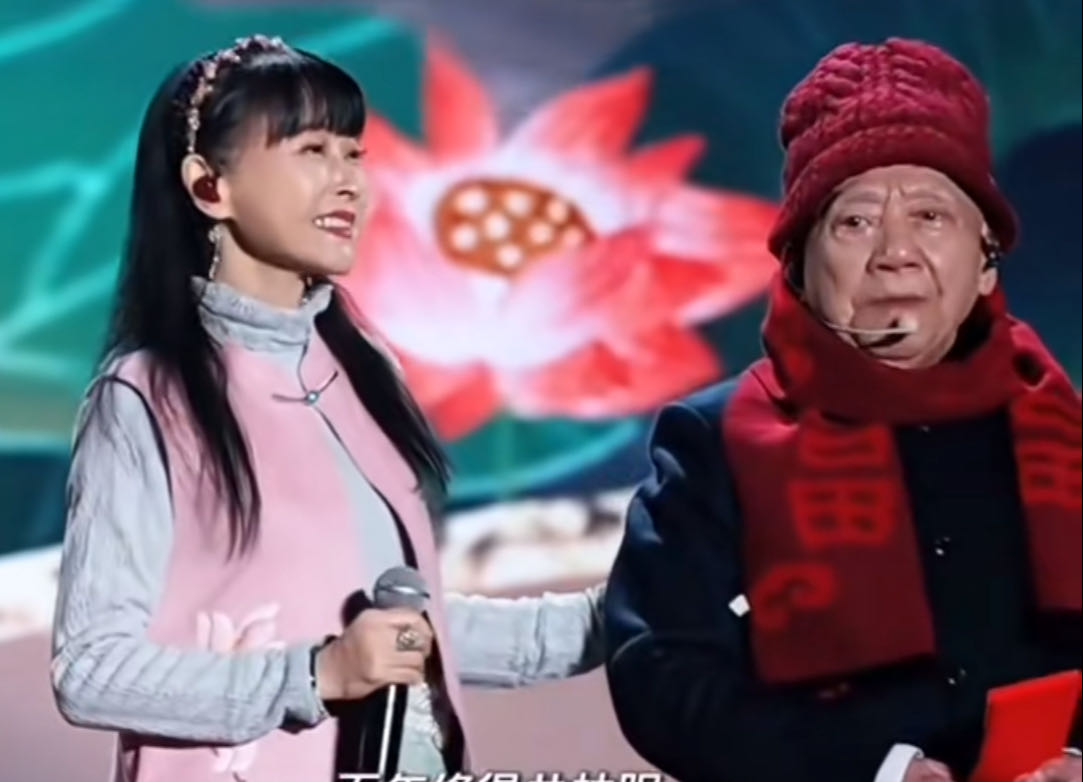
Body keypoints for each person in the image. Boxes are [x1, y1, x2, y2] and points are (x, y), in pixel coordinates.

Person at [50, 35, 604, 782]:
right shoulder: (144, 397)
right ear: (209, 185)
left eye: (353, 154)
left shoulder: (363, 370)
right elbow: (92, 670)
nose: (349, 183)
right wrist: (314, 675)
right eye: (312, 150)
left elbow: (408, 638)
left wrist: (622, 613)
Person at [604, 38, 1081, 782]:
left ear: (986, 260)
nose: (895, 252)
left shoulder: (1061, 429)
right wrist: (874, 768)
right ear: (797, 266)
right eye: (855, 222)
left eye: (930, 216)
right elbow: (662, 675)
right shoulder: (714, 443)